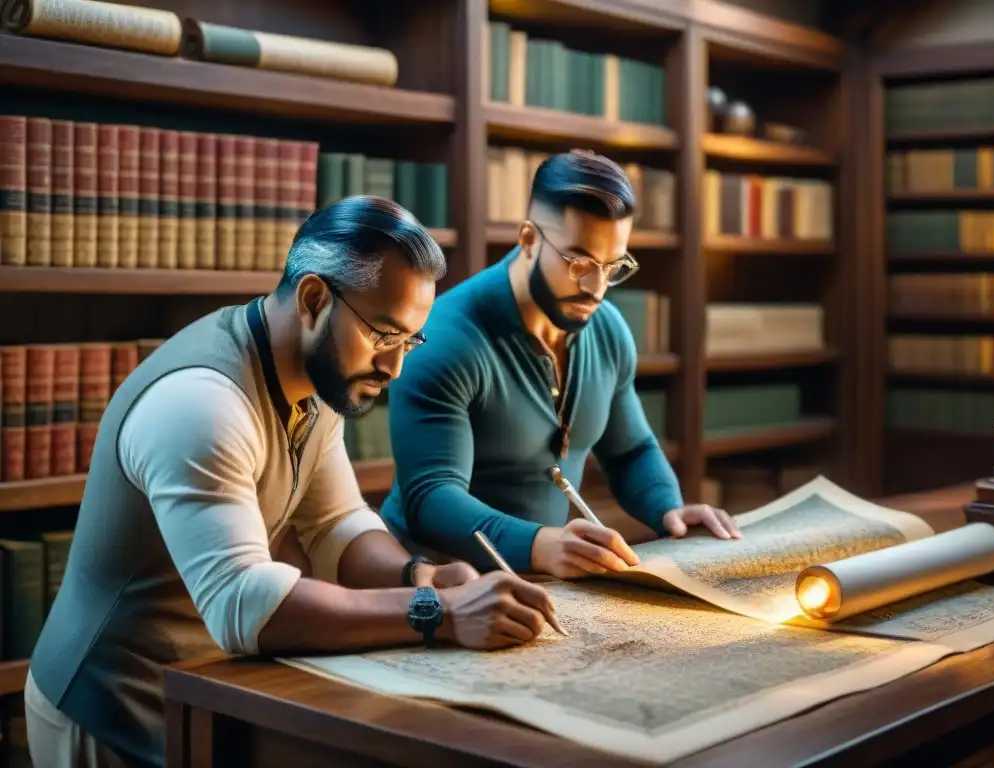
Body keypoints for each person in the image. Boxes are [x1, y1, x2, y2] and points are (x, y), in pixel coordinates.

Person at [26, 196, 557, 768]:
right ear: (312, 300)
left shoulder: (317, 373)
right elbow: (241, 603)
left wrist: (418, 573)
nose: (395, 367)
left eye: (410, 341)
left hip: (199, 686)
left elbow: (337, 526)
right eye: (384, 335)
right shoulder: (201, 403)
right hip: (106, 703)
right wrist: (439, 611)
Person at [380, 151, 741, 579]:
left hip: (533, 580)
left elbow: (630, 451)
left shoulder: (606, 329)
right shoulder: (443, 339)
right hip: (426, 583)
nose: (597, 288)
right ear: (529, 240)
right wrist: (536, 545)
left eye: (613, 267)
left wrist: (669, 510)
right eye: (580, 263)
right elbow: (430, 498)